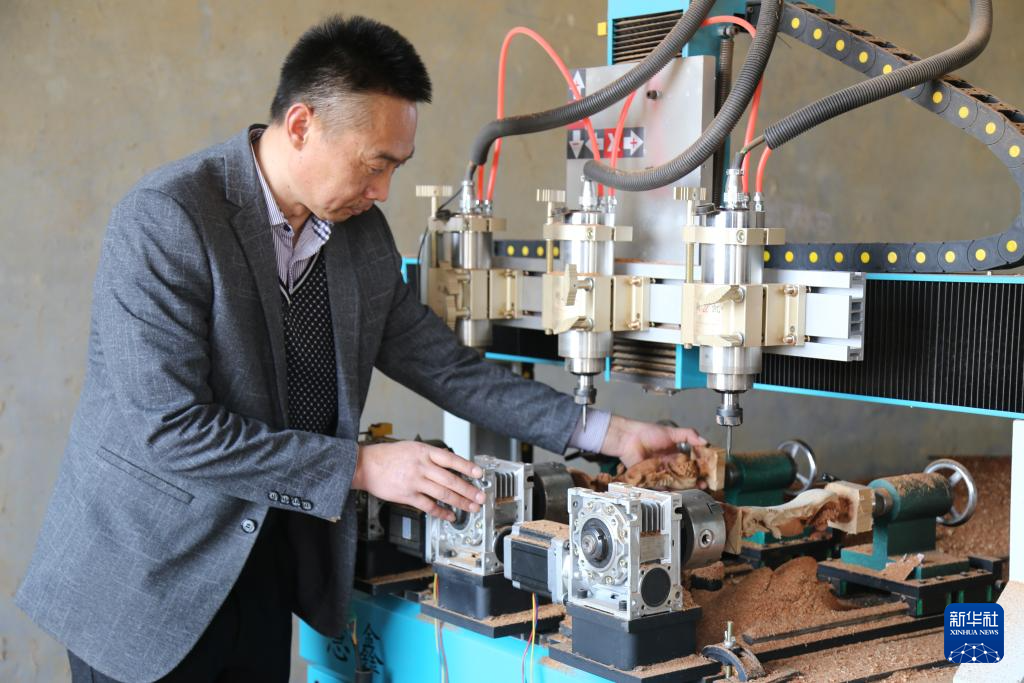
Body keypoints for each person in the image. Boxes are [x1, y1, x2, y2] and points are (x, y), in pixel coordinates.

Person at [16, 15, 707, 683]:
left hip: (263, 565)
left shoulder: (359, 235)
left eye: (396, 168)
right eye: (374, 165)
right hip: (143, 580)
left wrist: (610, 433)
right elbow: (171, 430)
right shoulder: (167, 219)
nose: (382, 192)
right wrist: (361, 465)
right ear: (301, 125)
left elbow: (445, 366)